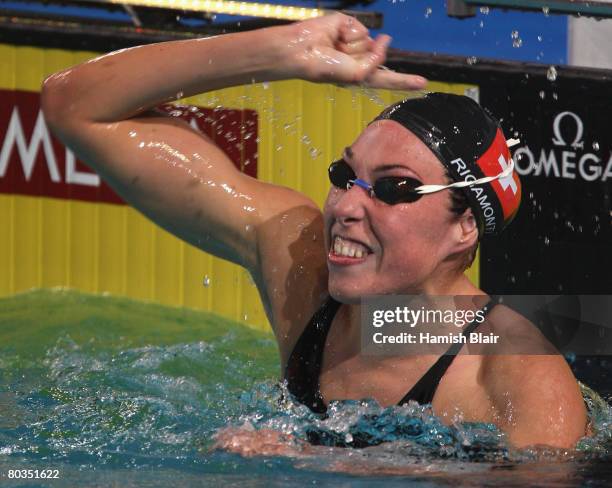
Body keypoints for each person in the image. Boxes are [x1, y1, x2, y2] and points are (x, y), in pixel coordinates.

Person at [41, 13, 586, 450]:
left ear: (466, 226)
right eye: (346, 176)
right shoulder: (301, 269)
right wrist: (280, 51)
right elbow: (74, 106)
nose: (348, 205)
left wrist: (318, 457)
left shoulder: (516, 376)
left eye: (394, 189)